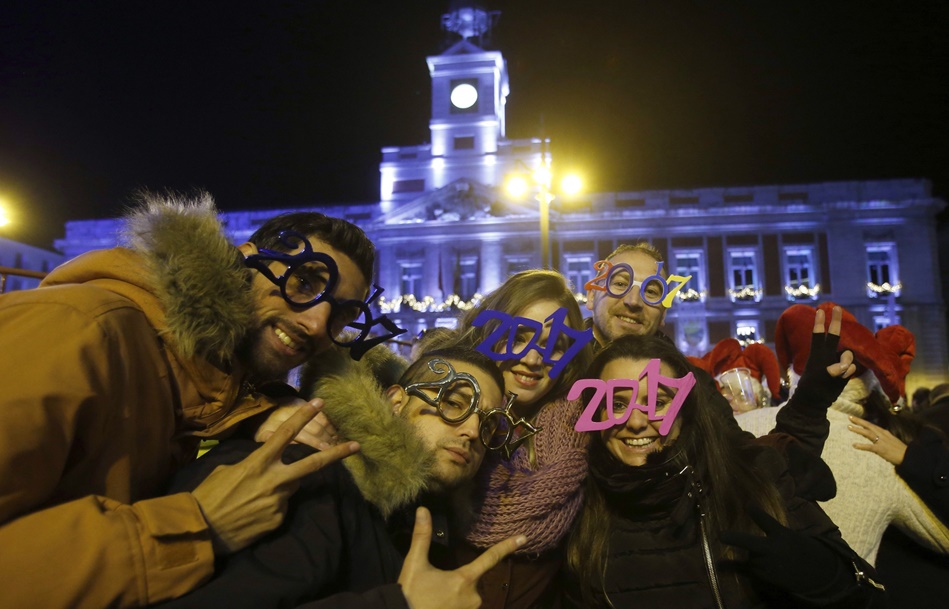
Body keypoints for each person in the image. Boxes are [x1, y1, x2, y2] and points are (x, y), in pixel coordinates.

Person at [0, 191, 391, 608]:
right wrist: (198, 525)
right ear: (243, 260)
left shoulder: (204, 384)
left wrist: (263, 407)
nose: (316, 324)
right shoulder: (74, 329)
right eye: (304, 282)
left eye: (343, 316)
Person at [159, 345, 525, 609]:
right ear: (396, 402)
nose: (474, 430)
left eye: (490, 424)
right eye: (455, 403)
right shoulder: (302, 476)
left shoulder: (420, 518)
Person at [564, 334, 884, 608]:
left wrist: (822, 578)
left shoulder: (753, 478)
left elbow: (868, 596)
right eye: (617, 404)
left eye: (658, 402)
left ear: (686, 412)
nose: (635, 422)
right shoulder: (578, 509)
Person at [736, 303, 949, 564]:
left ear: (792, 374)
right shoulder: (879, 453)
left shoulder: (740, 428)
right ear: (868, 385)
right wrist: (912, 461)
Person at [584, 243, 841, 459]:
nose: (633, 302)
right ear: (591, 296)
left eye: (651, 291)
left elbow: (745, 461)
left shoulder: (694, 385)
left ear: (663, 313)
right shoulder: (554, 373)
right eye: (619, 283)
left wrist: (808, 405)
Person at [438, 269, 594, 609]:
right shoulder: (435, 417)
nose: (532, 359)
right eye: (519, 336)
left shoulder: (583, 439)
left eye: (555, 346)